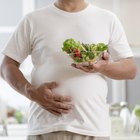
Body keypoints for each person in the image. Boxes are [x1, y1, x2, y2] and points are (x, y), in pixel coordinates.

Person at [0, 0, 137, 140]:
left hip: (94, 130)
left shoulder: (108, 19)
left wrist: (105, 67)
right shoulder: (32, 20)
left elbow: (130, 70)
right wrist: (31, 92)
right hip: (44, 128)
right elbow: (7, 66)